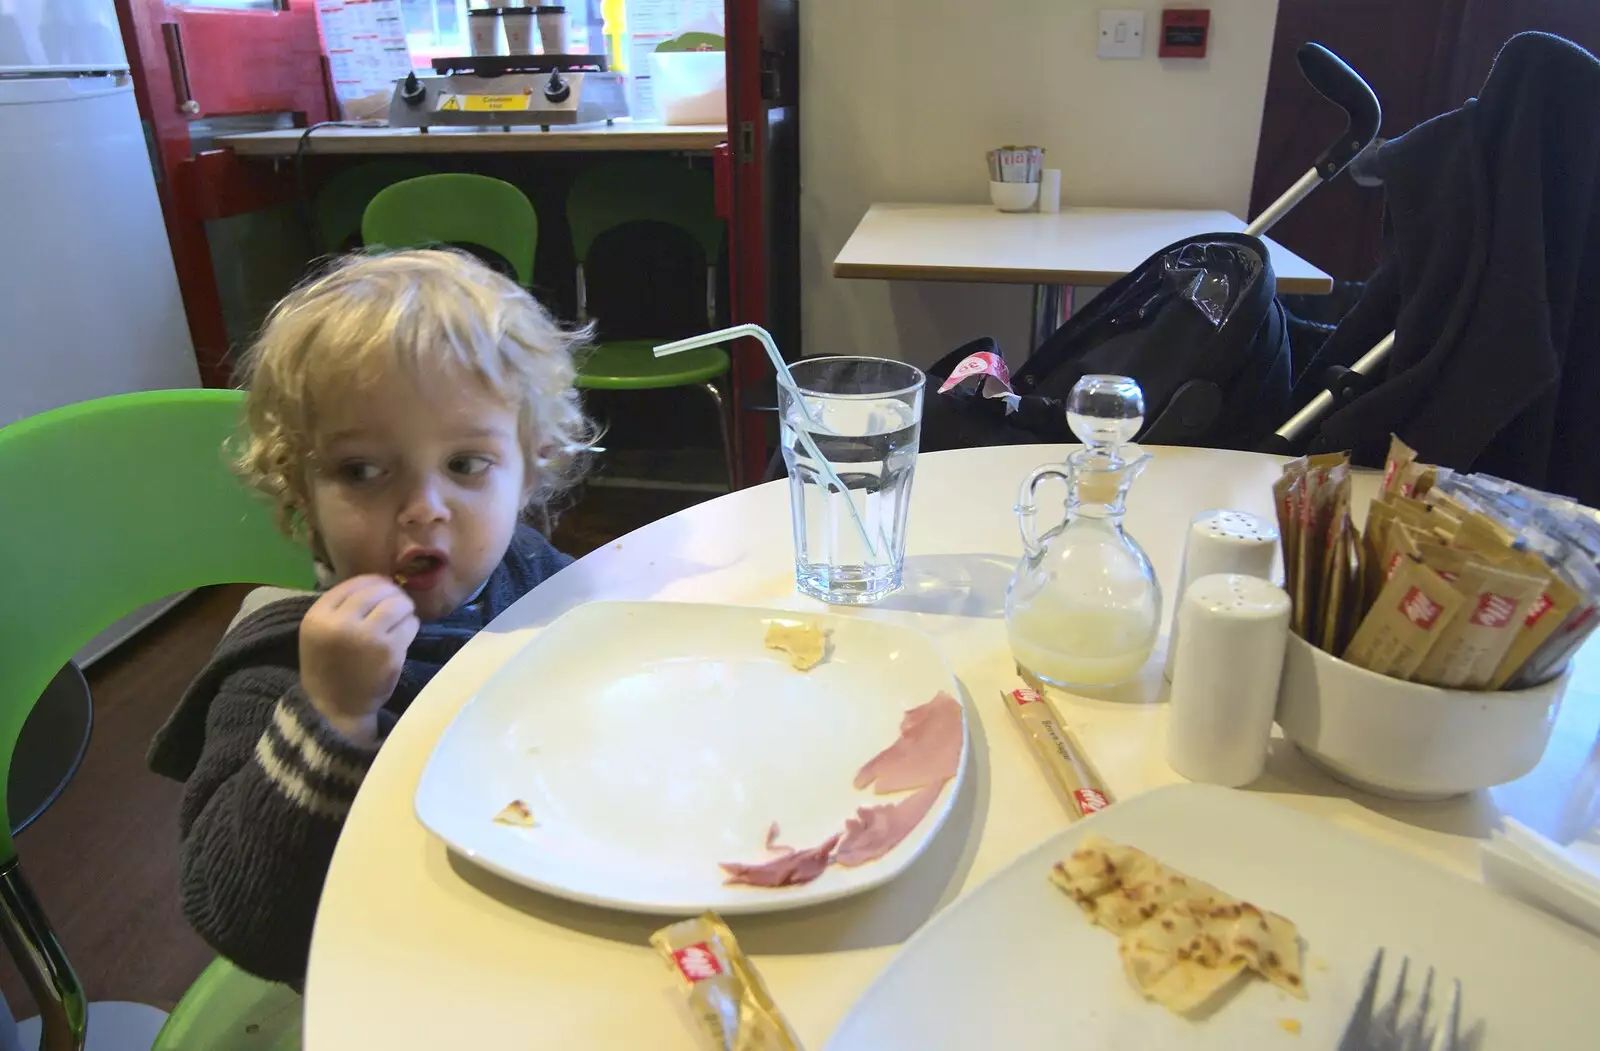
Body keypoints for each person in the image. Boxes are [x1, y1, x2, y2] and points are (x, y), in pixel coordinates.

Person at [148, 249, 595, 989]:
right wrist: (333, 715)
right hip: (398, 980)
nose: (425, 507)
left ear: (530, 467)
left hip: (544, 924)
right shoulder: (280, 669)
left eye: (466, 464)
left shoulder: (523, 568)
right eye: (363, 471)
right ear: (299, 488)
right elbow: (241, 919)